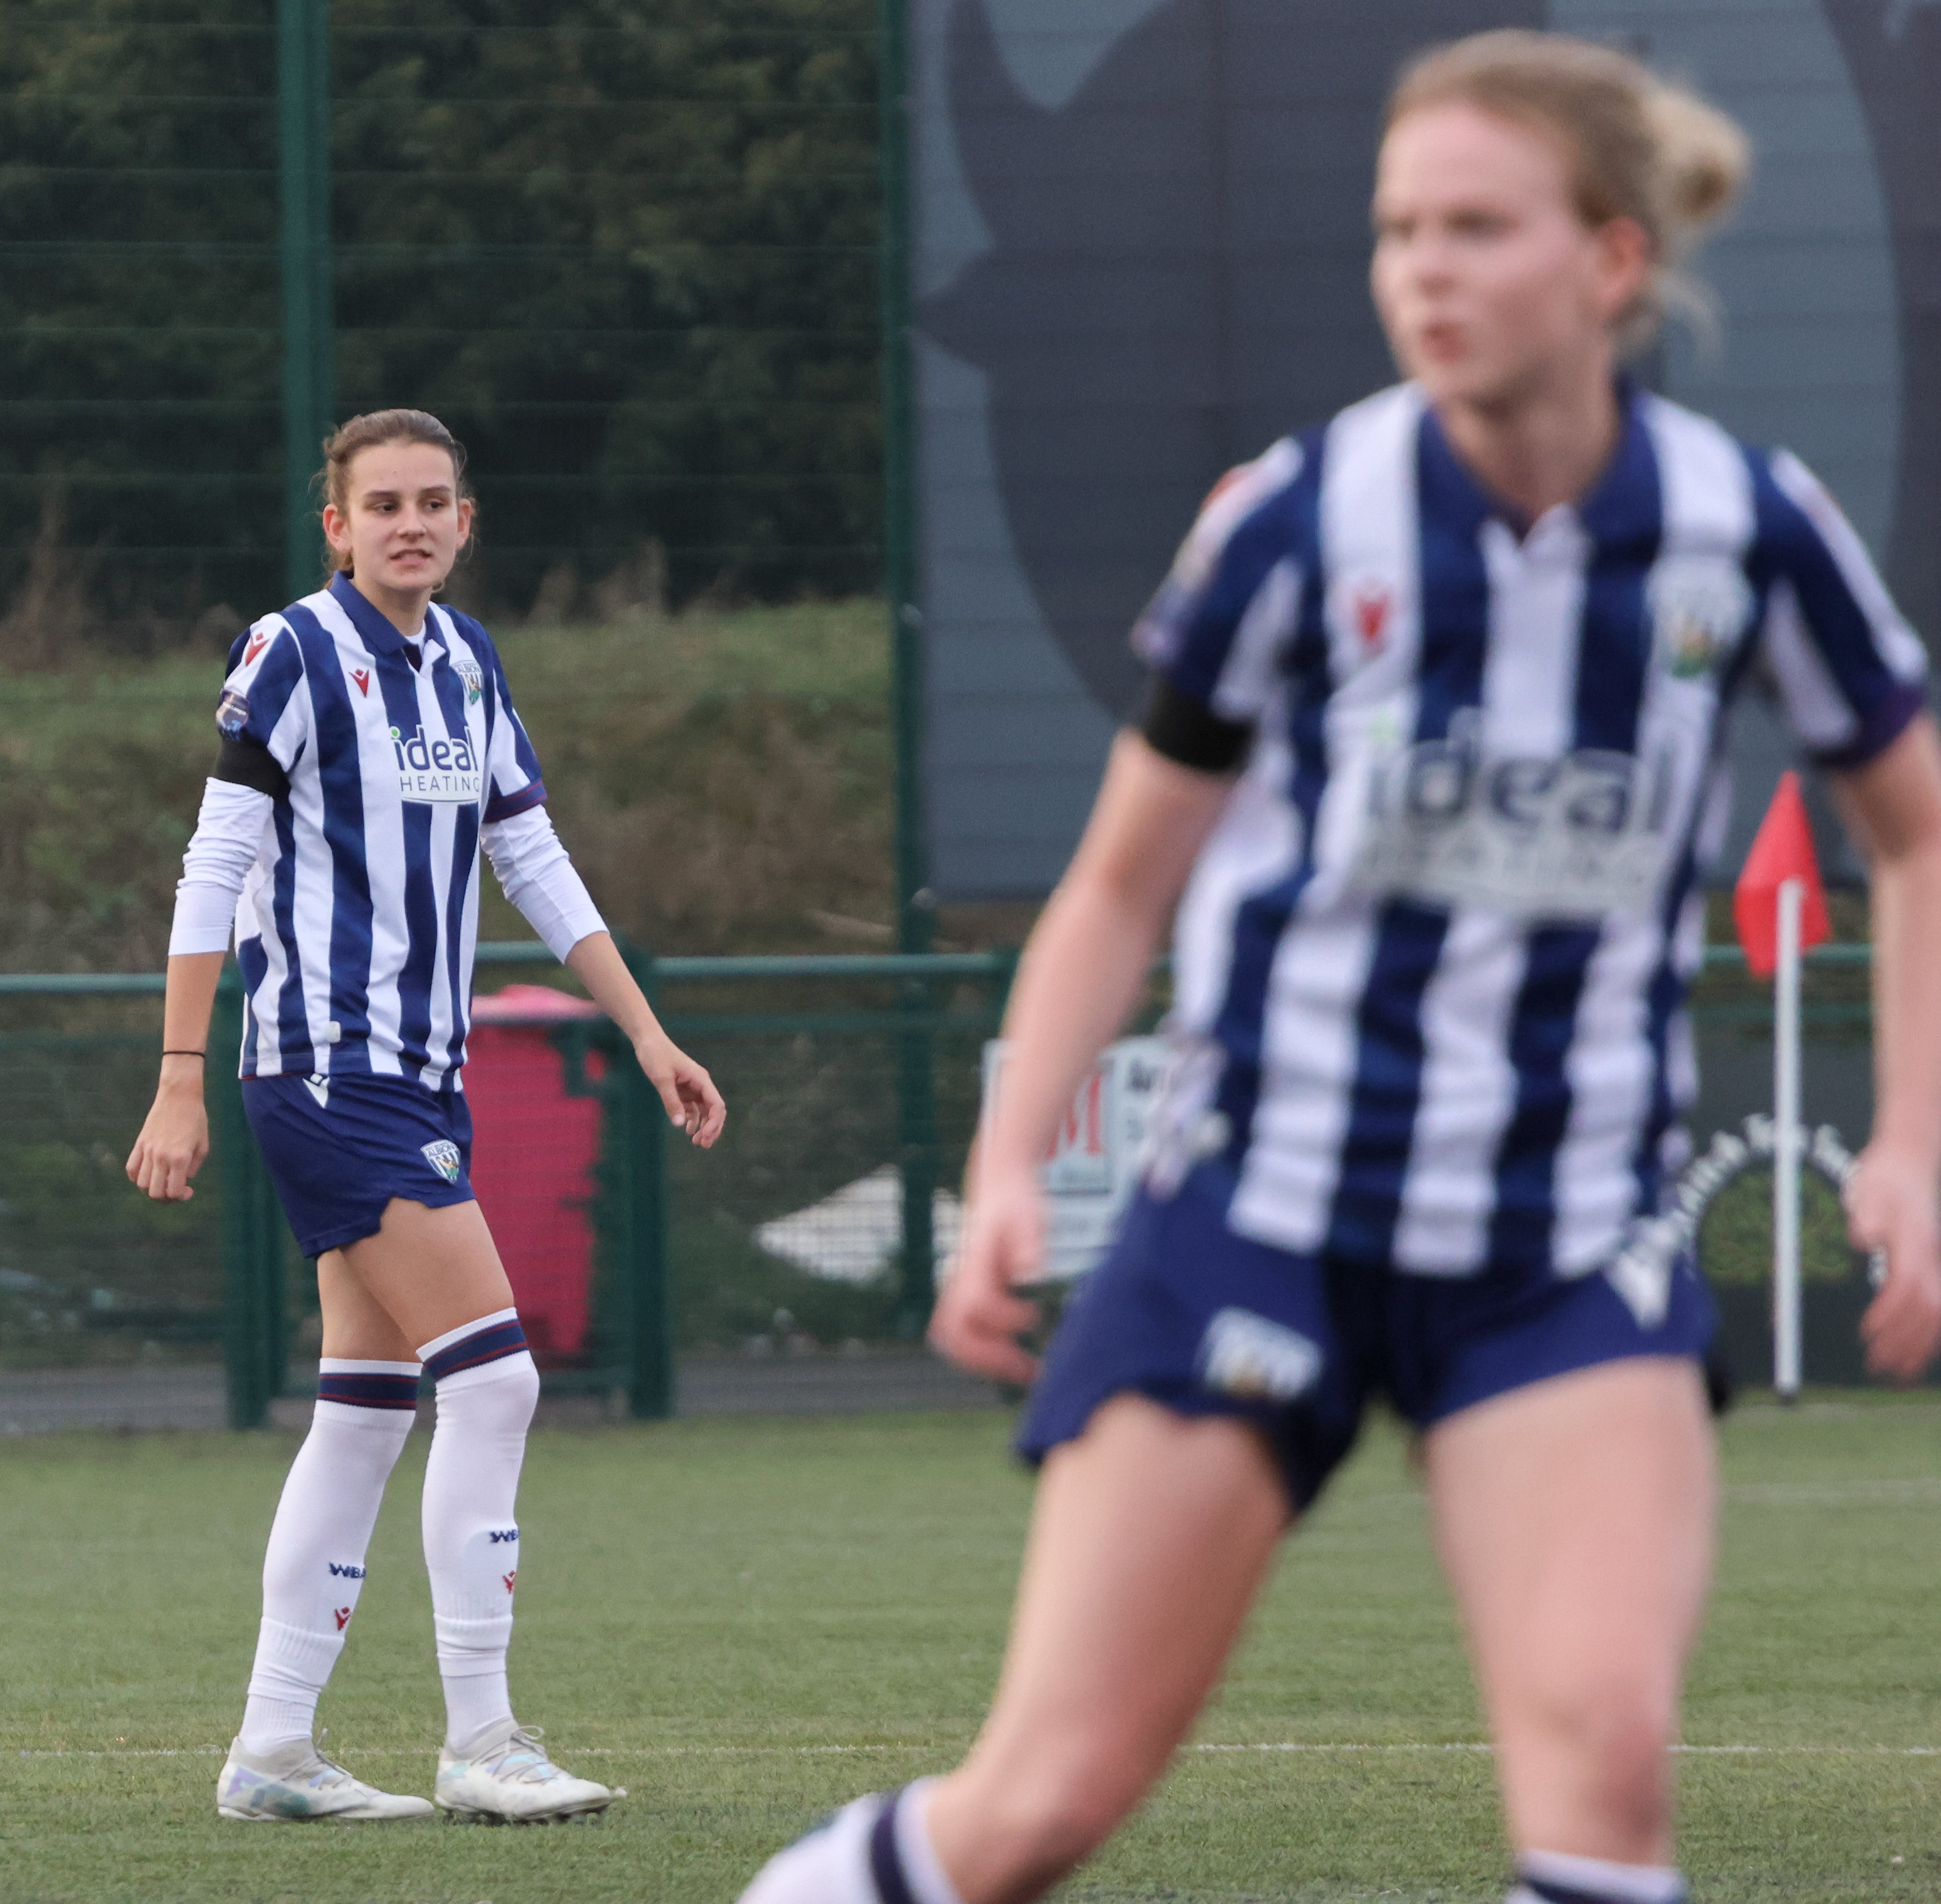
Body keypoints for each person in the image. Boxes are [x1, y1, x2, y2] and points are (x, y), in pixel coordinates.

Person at [740, 30, 1941, 1904]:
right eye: (1396, 232)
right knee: (1040, 1803)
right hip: (1262, 1211)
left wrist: (1914, 1141)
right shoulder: (1297, 522)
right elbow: (1118, 887)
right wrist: (1000, 1169)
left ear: (1610, 260)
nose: (1422, 273)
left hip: (1560, 1239)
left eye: (1475, 226)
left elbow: (1914, 827)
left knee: (1606, 1772)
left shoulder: (1745, 530)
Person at [127, 407, 726, 1825]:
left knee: (363, 1409)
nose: (410, 522)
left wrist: (644, 1034)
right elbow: (213, 866)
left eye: (433, 502)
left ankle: (273, 1751)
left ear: (464, 523)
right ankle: (483, 1740)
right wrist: (175, 1073)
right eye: (380, 503)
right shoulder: (291, 653)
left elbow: (528, 852)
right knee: (499, 1380)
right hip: (325, 1069)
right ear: (334, 526)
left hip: (421, 1075)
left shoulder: (463, 662)